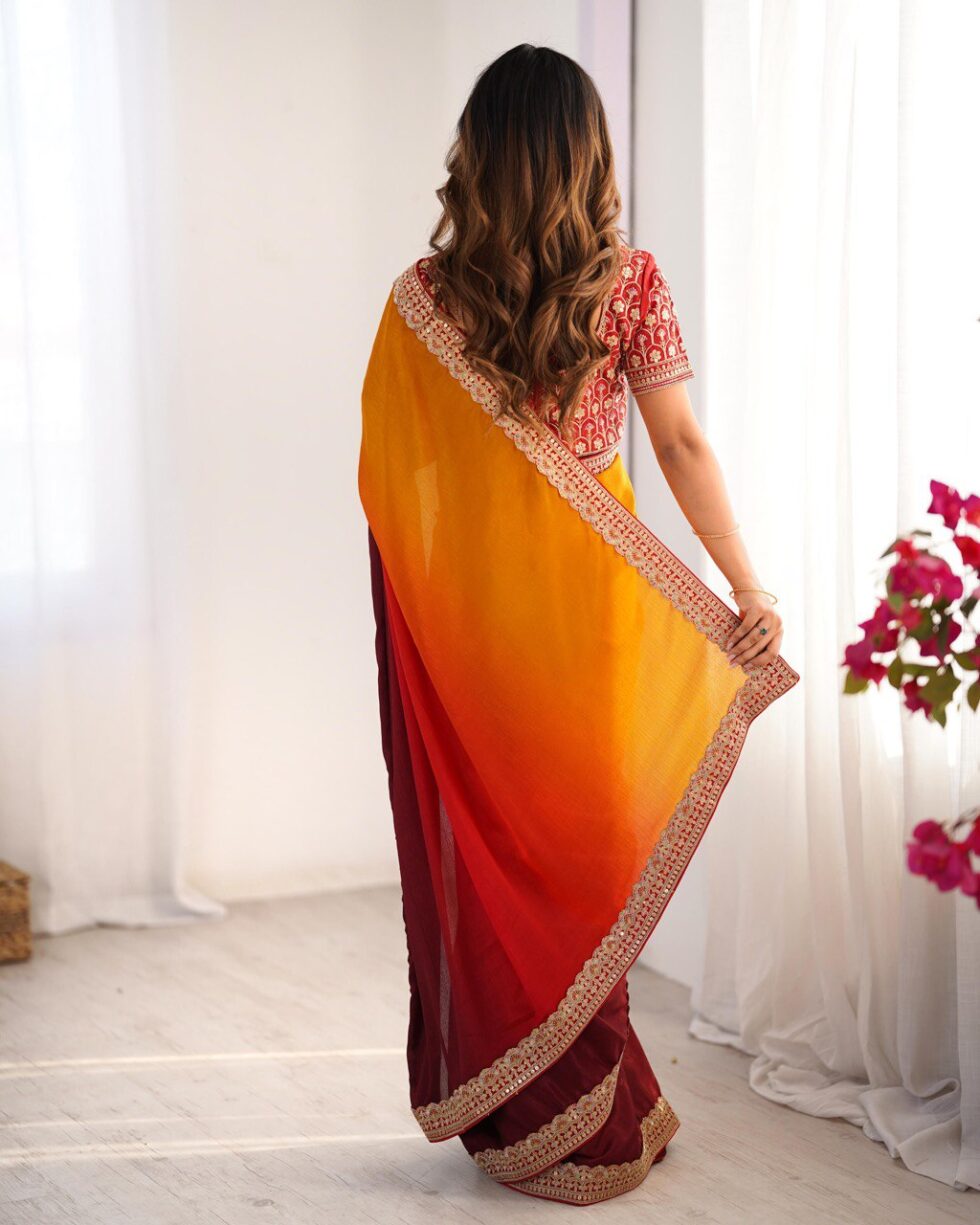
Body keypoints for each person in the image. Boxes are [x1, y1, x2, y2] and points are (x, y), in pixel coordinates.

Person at [358, 43, 799, 1206]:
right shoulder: (628, 282)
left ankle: (556, 1106)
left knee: (511, 862)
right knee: (581, 865)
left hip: (485, 637)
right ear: (585, 156)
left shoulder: (424, 297)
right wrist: (745, 587)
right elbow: (677, 444)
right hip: (592, 628)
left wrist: (453, 613)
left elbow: (406, 487)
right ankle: (579, 1106)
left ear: (478, 152)